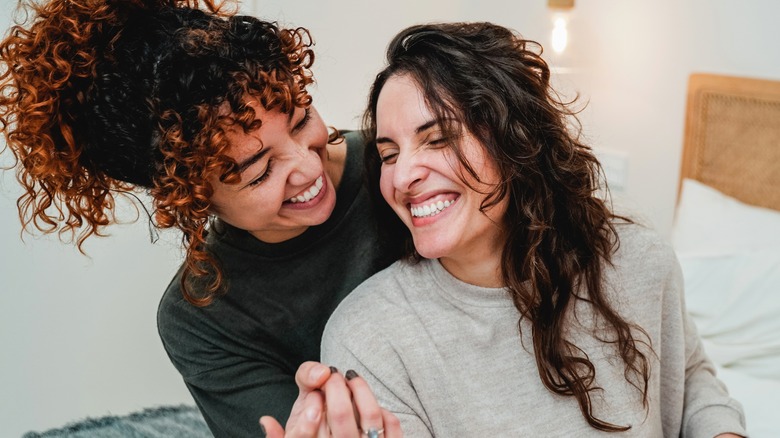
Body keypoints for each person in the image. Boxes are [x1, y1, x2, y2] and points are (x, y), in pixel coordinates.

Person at [321, 22, 747, 437]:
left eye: (437, 139)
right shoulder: (370, 340)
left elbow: (688, 377)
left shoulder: (636, 257)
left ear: (515, 140)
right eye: (389, 154)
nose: (402, 177)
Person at [0, 0, 402, 436]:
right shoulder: (204, 317)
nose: (308, 168)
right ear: (191, 198)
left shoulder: (401, 166)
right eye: (259, 170)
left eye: (301, 120)